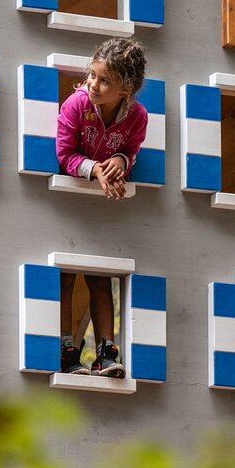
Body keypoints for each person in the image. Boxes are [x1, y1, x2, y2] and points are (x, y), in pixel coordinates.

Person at [55, 37, 148, 378]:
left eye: (104, 80)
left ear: (126, 88)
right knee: (65, 274)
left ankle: (106, 353)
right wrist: (94, 169)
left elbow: (132, 150)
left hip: (104, 211)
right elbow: (65, 154)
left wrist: (122, 160)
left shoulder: (137, 117)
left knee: (100, 275)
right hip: (68, 204)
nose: (93, 84)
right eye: (92, 75)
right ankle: (66, 348)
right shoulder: (76, 105)